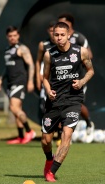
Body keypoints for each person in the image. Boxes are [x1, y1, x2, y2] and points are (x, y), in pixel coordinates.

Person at [42, 22, 94, 182]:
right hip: (54, 100)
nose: (59, 38)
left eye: (62, 35)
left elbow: (91, 71)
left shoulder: (81, 52)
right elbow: (44, 78)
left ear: (68, 35)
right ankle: (49, 158)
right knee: (46, 140)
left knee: (67, 135)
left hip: (73, 100)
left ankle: (52, 171)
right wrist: (48, 90)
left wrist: (81, 82)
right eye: (56, 35)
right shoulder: (49, 54)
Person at [0, 26, 36, 144]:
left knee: (14, 107)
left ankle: (29, 131)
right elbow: (7, 67)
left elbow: (31, 64)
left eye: (15, 35)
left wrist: (30, 81)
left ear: (18, 36)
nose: (12, 38)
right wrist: (0, 79)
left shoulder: (22, 48)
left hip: (19, 81)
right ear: (7, 37)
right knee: (17, 109)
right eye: (10, 36)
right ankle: (21, 136)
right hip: (10, 82)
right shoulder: (7, 49)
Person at [58, 13, 94, 140]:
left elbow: (89, 55)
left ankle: (89, 122)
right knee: (61, 104)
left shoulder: (79, 38)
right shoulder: (59, 40)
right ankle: (64, 134)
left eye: (63, 23)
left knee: (77, 103)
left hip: (78, 78)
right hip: (62, 79)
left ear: (70, 24)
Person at [35, 21, 56, 122]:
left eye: (54, 31)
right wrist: (38, 78)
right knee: (44, 106)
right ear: (48, 31)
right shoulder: (43, 44)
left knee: (59, 106)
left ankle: (60, 134)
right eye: (51, 31)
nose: (53, 33)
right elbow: (38, 61)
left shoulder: (63, 44)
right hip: (46, 79)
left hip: (59, 79)